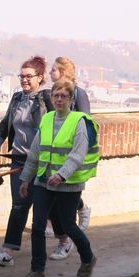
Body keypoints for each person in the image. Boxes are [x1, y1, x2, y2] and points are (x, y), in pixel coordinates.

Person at [18, 79, 99, 277]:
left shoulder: (78, 121)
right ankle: (37, 271)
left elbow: (77, 153)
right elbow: (35, 152)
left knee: (68, 226)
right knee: (37, 226)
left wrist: (62, 175)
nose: (59, 99)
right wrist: (26, 178)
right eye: (56, 96)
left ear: (71, 100)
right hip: (44, 181)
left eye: (64, 96)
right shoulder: (46, 119)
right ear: (52, 98)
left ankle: (88, 257)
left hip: (68, 184)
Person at [0, 56, 58, 266]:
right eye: (22, 76)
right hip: (19, 159)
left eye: (29, 76)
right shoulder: (17, 98)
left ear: (40, 77)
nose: (24, 80)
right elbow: (5, 124)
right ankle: (8, 252)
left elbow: (58, 125)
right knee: (19, 205)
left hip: (43, 161)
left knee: (47, 206)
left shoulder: (46, 98)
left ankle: (64, 238)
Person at [49, 57, 92, 235]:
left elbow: (86, 121)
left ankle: (80, 211)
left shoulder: (79, 93)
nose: (50, 73)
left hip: (73, 149)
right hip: (57, 149)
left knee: (69, 189)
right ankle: (57, 227)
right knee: (57, 190)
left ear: (63, 72)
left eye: (53, 70)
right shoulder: (51, 93)